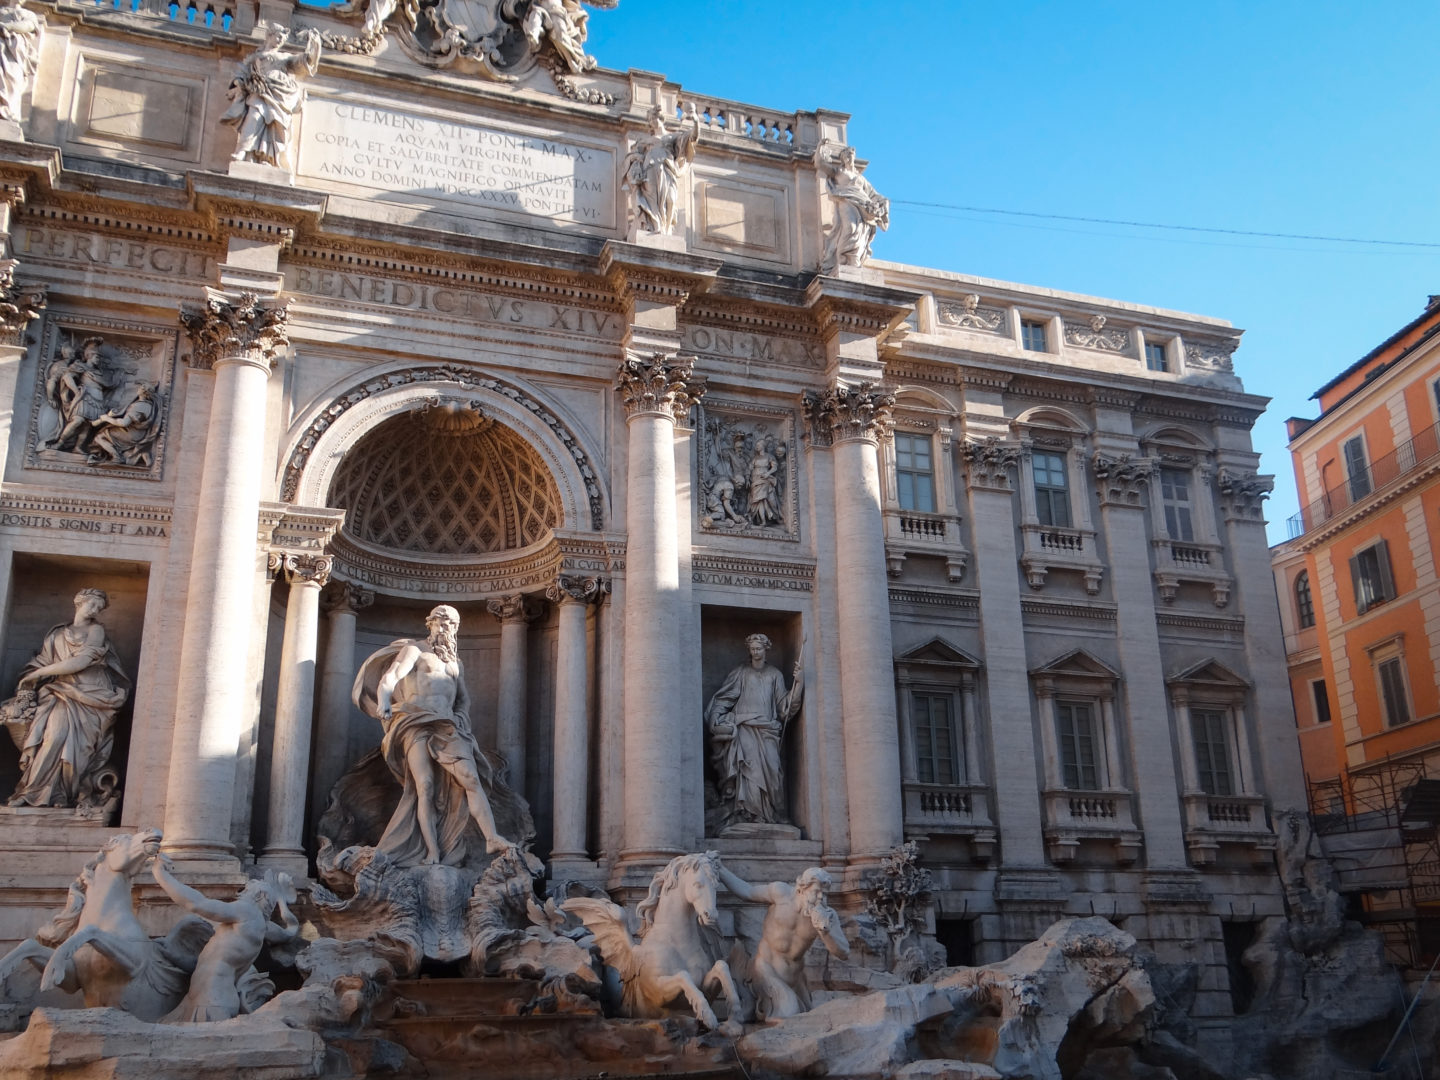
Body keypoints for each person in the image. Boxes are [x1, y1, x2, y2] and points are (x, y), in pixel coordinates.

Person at [352, 605, 513, 866]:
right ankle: (432, 851)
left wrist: (461, 719)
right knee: (424, 787)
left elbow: (463, 699)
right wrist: (383, 701)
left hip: (447, 726)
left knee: (471, 778)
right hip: (415, 722)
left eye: (451, 623)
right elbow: (391, 677)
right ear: (430, 624)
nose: (445, 627)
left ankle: (491, 837)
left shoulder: (455, 663)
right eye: (441, 622)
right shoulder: (415, 650)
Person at [7, 588, 129, 809]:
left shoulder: (96, 631)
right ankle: (33, 792)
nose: (95, 610)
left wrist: (37, 674)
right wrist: (31, 676)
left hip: (92, 694)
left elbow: (81, 662)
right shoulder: (56, 634)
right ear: (78, 602)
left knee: (79, 748)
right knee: (53, 737)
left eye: (99, 608)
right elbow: (43, 661)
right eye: (92, 604)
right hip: (60, 692)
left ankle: (64, 795)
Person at [151, 857, 299, 1023]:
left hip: (211, 1001)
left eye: (246, 891)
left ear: (258, 896)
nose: (241, 895)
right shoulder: (261, 927)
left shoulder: (247, 911)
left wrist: (161, 875)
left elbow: (197, 904)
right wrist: (174, 957)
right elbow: (289, 933)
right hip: (209, 1000)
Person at [716, 864, 849, 1020]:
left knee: (807, 1021)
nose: (821, 897)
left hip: (795, 979)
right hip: (765, 969)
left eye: (824, 893)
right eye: (816, 892)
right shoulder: (781, 894)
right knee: (788, 1016)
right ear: (801, 889)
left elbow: (843, 952)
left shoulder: (827, 916)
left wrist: (825, 932)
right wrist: (721, 870)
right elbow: (747, 891)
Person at [705, 634, 803, 826]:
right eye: (752, 649)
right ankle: (748, 814)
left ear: (766, 649)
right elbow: (725, 699)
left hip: (768, 730)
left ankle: (771, 814)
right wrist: (716, 718)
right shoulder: (740, 672)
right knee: (748, 771)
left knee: (773, 771)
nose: (756, 652)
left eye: (759, 648)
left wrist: (799, 684)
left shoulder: (775, 674)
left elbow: (784, 706)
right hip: (745, 728)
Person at [221, 22, 322, 168]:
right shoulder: (255, 56)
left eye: (283, 38)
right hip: (260, 90)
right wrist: (239, 82)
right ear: (270, 35)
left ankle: (268, 157)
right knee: (254, 118)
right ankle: (243, 151)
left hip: (279, 94)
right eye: (278, 36)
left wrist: (314, 45)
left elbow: (304, 62)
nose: (280, 40)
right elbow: (241, 71)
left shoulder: (285, 57)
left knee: (275, 124)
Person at [622, 105, 699, 235]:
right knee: (651, 199)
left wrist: (696, 121)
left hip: (667, 170)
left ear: (660, 118)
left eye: (653, 118)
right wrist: (637, 157)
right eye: (650, 120)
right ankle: (655, 226)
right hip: (650, 170)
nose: (652, 122)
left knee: (671, 199)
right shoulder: (644, 141)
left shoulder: (673, 137)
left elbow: (693, 137)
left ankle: (666, 229)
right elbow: (632, 156)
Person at [817, 144, 890, 273]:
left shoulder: (860, 178)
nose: (849, 158)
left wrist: (882, 202)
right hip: (846, 200)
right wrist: (820, 148)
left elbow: (873, 194)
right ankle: (843, 258)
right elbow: (821, 164)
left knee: (860, 231)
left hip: (863, 204)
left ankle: (854, 259)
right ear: (843, 159)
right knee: (850, 228)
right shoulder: (839, 172)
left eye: (851, 155)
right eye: (846, 156)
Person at [87, 382, 160, 467]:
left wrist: (106, 418)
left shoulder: (138, 406)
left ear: (144, 391)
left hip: (132, 433)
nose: (139, 388)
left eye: (141, 387)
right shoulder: (148, 405)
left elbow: (124, 423)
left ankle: (117, 457)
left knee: (100, 437)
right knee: (109, 433)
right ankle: (138, 454)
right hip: (139, 433)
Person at [0, 0, 40, 125]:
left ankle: (7, 111)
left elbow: (29, 25)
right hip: (2, 45)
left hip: (15, 51)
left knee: (13, 80)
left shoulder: (28, 13)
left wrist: (8, 27)